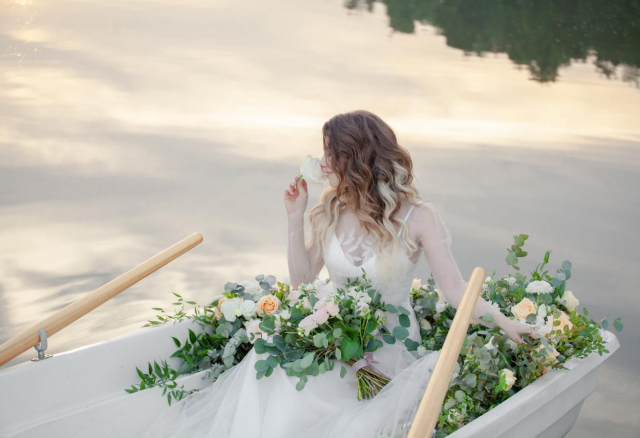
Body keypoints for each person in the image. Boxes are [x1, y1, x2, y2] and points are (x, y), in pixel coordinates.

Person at [141, 110, 534, 438]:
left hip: (388, 346)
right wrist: (295, 218)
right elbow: (303, 282)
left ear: (355, 157)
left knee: (336, 409)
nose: (322, 162)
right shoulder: (332, 209)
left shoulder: (419, 217)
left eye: (330, 153)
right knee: (276, 371)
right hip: (332, 340)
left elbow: (456, 290)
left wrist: (506, 323)